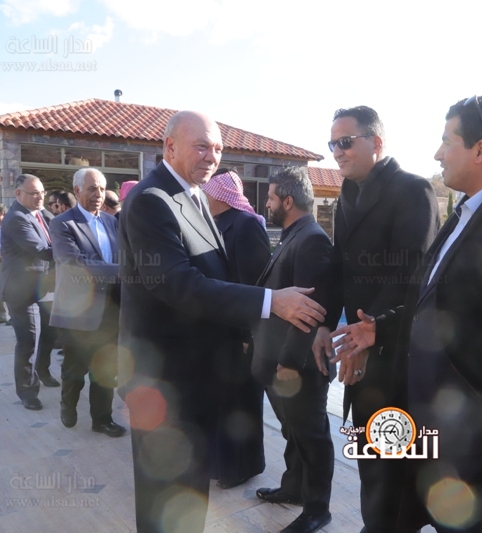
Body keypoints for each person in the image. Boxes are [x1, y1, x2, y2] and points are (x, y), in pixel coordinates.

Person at [333, 96, 482, 532]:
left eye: (447, 141)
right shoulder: (459, 215)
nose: (437, 154)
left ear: (480, 150)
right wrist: (379, 329)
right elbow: (436, 305)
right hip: (423, 423)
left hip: (472, 439)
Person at [118, 110, 327, 533]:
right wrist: (272, 302)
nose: (211, 156)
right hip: (165, 381)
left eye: (216, 148)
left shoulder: (192, 195)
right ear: (169, 146)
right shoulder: (151, 200)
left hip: (194, 377)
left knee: (189, 492)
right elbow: (179, 284)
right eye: (201, 146)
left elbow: (218, 276)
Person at [314, 105, 440, 533]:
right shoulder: (347, 195)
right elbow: (339, 267)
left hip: (395, 355)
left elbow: (410, 279)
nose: (337, 151)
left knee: (396, 471)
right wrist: (324, 323)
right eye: (332, 143)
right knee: (373, 465)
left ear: (377, 142)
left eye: (345, 141)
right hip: (359, 351)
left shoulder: (413, 190)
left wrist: (368, 338)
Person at [252, 166, 336, 533]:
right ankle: (293, 488)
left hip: (299, 367)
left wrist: (288, 363)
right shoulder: (295, 235)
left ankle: (317, 509)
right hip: (282, 365)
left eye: (270, 197)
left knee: (312, 437)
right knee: (294, 433)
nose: (266, 204)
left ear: (287, 201)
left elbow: (309, 311)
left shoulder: (312, 240)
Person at [201, 168, 270, 489]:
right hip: (218, 330)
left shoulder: (246, 225)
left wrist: (247, 334)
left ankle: (241, 467)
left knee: (240, 403)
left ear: (220, 194)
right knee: (221, 402)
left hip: (239, 334)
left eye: (208, 191)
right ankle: (222, 465)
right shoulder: (214, 224)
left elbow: (255, 286)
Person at [49, 168, 125, 438]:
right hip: (77, 312)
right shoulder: (63, 224)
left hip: (109, 312)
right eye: (92, 188)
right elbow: (73, 264)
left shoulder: (111, 222)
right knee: (74, 369)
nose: (98, 194)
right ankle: (67, 404)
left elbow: (123, 255)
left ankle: (102, 420)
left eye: (102, 189)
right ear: (77, 190)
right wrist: (124, 271)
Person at [1, 174, 60, 411]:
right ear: (18, 193)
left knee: (49, 335)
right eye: (34, 193)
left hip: (44, 287)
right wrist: (73, 251)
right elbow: (42, 250)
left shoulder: (42, 213)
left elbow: (59, 230)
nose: (40, 197)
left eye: (42, 192)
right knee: (28, 341)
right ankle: (27, 391)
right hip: (21, 291)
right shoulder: (16, 218)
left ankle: (43, 371)